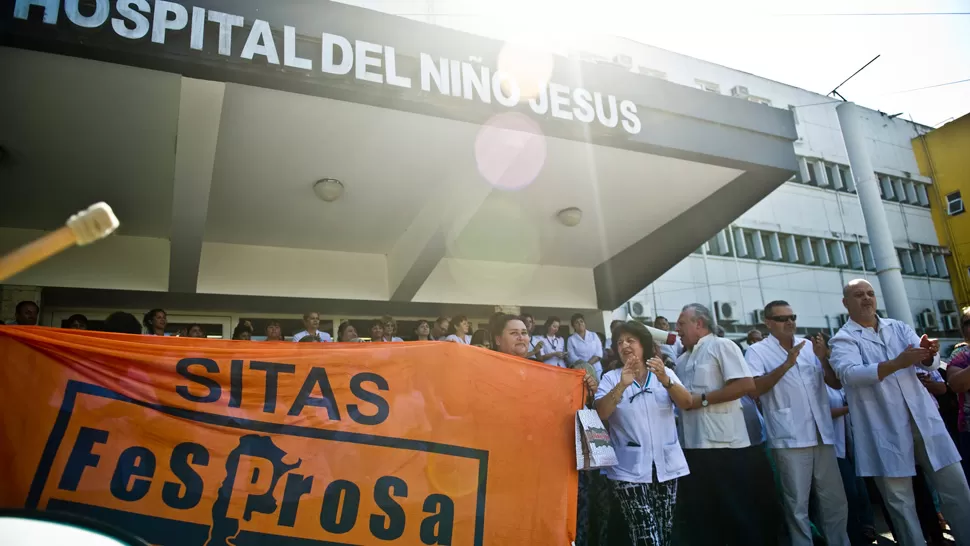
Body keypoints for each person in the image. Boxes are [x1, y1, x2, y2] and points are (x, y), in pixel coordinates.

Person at [830, 279, 970, 545]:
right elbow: (849, 374)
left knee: (956, 488)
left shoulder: (898, 327)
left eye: (870, 293)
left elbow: (927, 363)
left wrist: (929, 353)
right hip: (883, 425)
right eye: (859, 295)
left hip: (922, 419)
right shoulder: (842, 339)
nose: (867, 299)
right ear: (846, 303)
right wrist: (896, 363)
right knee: (900, 501)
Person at [745, 301, 849, 546]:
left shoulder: (810, 346)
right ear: (768, 322)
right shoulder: (758, 351)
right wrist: (786, 365)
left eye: (792, 316)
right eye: (782, 318)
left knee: (835, 500)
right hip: (790, 436)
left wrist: (824, 360)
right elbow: (754, 389)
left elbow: (835, 384)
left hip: (821, 433)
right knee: (797, 504)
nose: (790, 322)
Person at [673, 303, 776, 546]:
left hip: (726, 448)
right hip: (693, 448)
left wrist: (703, 400)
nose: (677, 329)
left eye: (681, 323)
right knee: (706, 520)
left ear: (699, 324)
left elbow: (745, 385)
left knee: (737, 515)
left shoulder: (722, 345)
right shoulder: (681, 361)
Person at [595, 321, 693, 545]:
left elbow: (686, 402)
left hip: (666, 467)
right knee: (645, 534)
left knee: (664, 529)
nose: (624, 345)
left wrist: (666, 380)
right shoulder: (611, 377)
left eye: (631, 340)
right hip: (628, 470)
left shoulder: (663, 372)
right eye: (619, 342)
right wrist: (621, 386)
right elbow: (601, 412)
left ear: (644, 345)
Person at [567, 313, 604, 378]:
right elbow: (572, 356)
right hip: (581, 370)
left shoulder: (594, 335)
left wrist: (588, 365)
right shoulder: (571, 339)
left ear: (585, 323)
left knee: (599, 387)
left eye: (581, 321)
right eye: (576, 322)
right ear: (573, 326)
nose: (580, 323)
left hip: (596, 368)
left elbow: (598, 353)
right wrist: (584, 367)